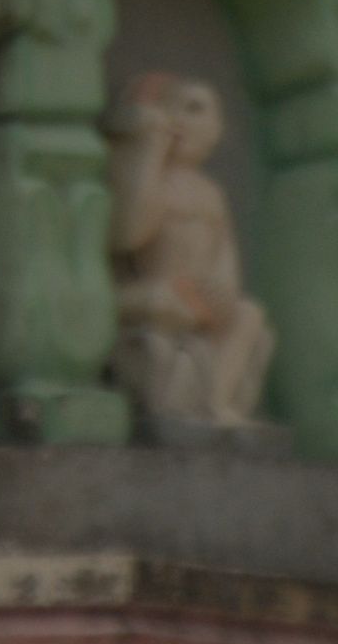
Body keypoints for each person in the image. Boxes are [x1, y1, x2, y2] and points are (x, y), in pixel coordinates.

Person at [108, 67, 273, 432]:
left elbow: (224, 250)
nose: (180, 120)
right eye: (173, 110)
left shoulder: (212, 194)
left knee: (248, 314)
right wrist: (150, 148)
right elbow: (129, 238)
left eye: (195, 109)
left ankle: (215, 404)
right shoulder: (151, 179)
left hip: (199, 297)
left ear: (218, 128)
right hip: (154, 292)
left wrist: (223, 287)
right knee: (161, 304)